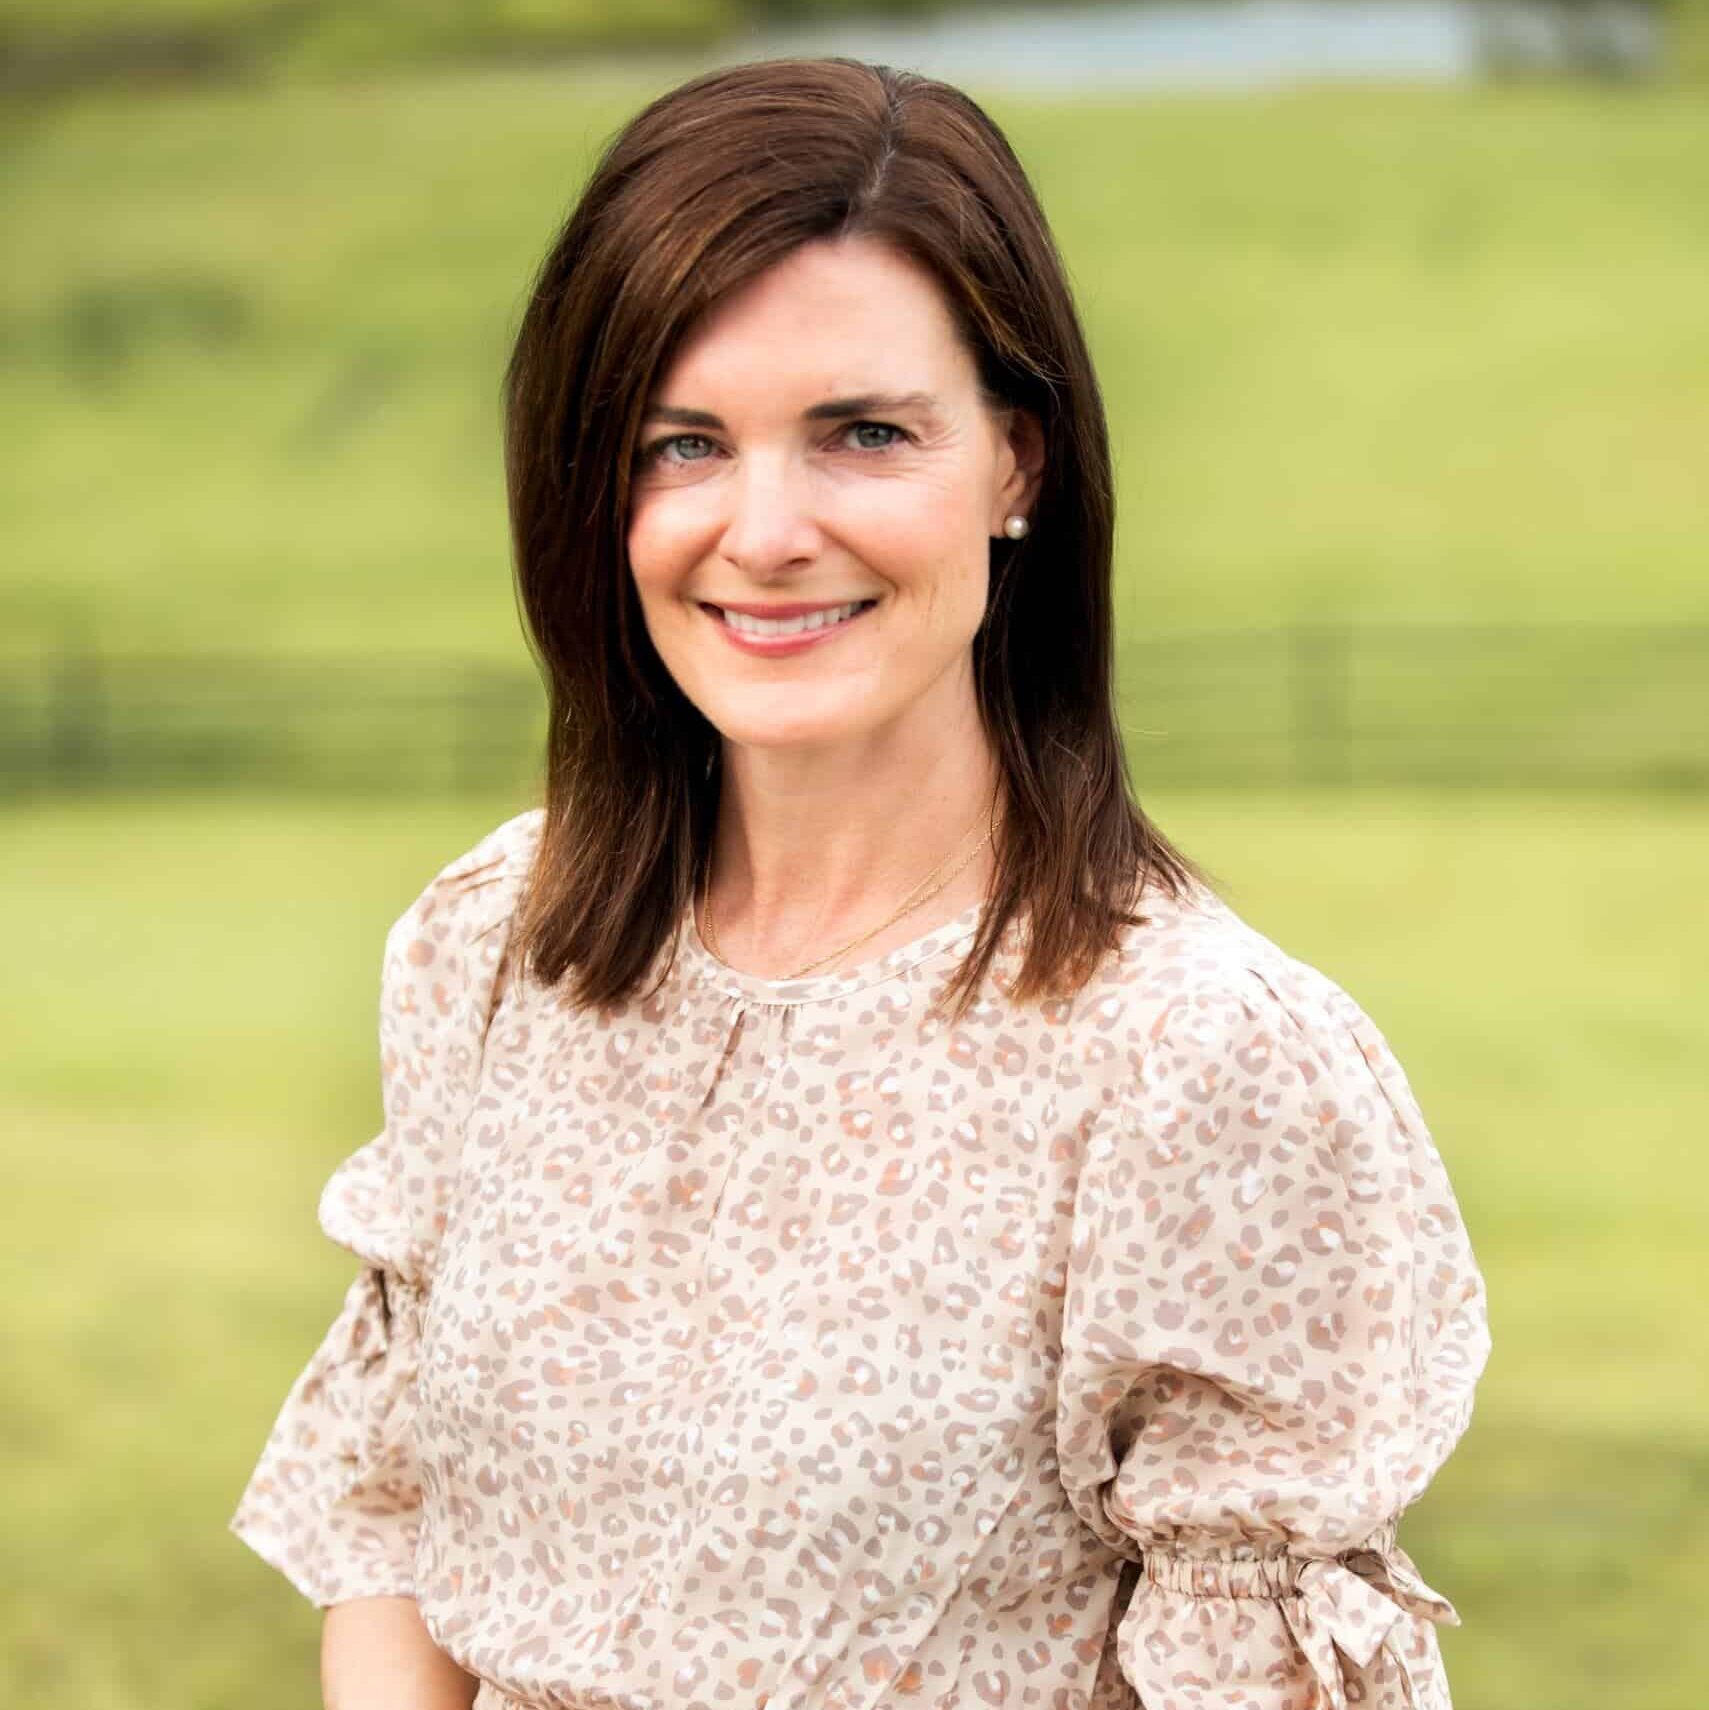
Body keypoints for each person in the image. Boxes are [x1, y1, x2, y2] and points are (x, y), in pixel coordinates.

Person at [230, 56, 1491, 1710]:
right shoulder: (498, 944)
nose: (763, 530)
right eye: (682, 443)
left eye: (863, 434)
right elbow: (395, 1507)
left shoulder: (1198, 1060)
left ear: (1016, 464)